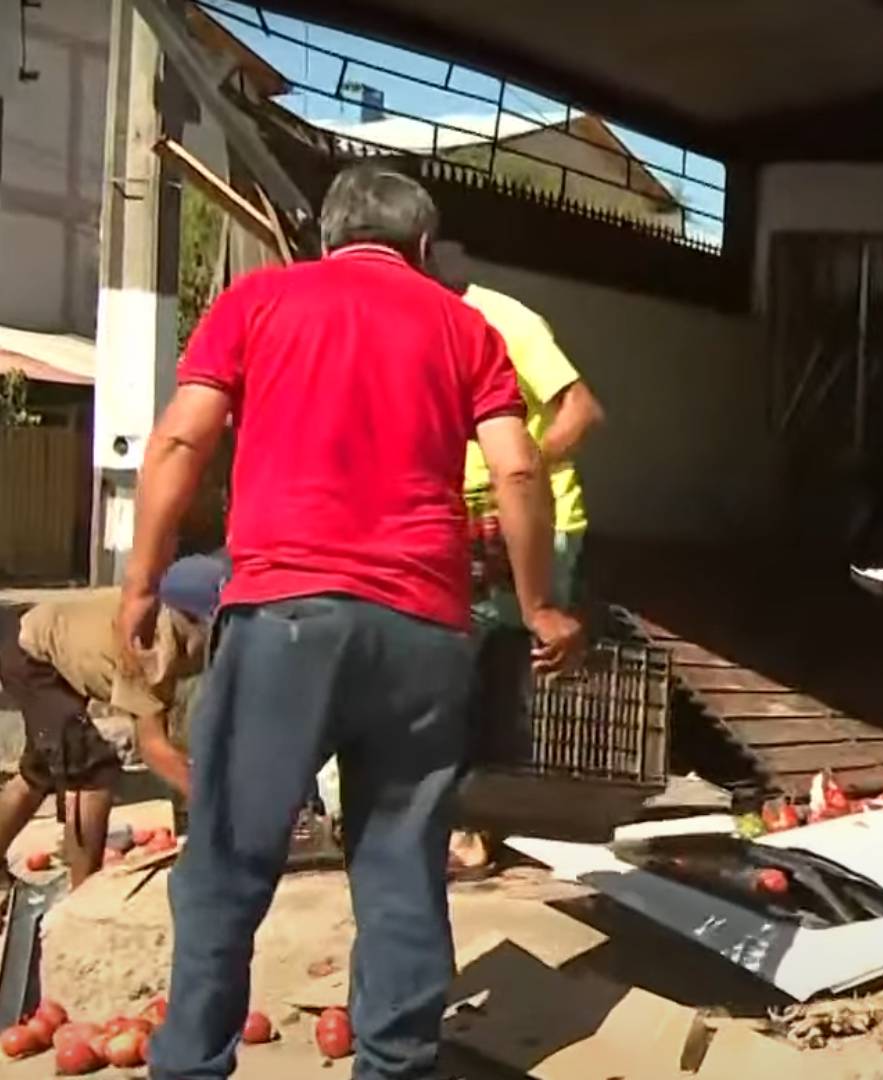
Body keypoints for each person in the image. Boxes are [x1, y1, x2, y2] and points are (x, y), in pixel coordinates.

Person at [120, 163, 584, 1080]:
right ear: (422, 248)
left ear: (330, 237)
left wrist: (143, 577)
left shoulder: (262, 299)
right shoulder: (465, 327)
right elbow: (521, 472)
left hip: (284, 614)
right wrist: (538, 607)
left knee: (227, 861)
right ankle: (397, 1065)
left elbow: (181, 437)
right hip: (423, 632)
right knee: (401, 864)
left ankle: (190, 1067)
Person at [426, 242, 603, 877]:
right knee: (460, 664)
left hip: (531, 518)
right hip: (463, 518)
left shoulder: (508, 321)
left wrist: (522, 466)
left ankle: (478, 826)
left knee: (498, 666)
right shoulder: (420, 321)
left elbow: (582, 410)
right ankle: (466, 816)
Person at [0, 555, 216, 885]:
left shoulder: (169, 627)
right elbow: (153, 746)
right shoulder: (154, 645)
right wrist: (209, 798)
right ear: (196, 621)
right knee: (93, 771)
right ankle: (83, 894)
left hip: (38, 647)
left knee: (39, 772)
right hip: (33, 654)